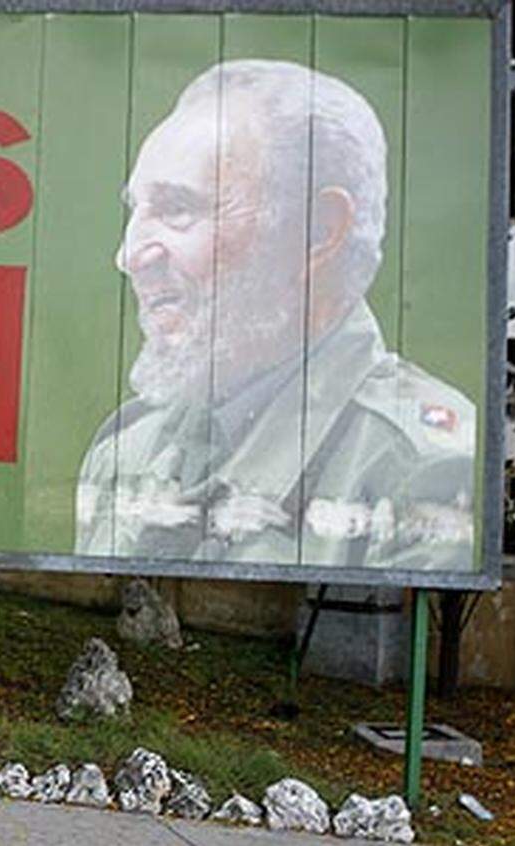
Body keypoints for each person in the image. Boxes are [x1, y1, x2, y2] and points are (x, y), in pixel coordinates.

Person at [75, 59, 476, 570]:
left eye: (178, 209)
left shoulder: (423, 468)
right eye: (136, 210)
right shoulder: (127, 449)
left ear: (317, 231)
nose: (130, 256)